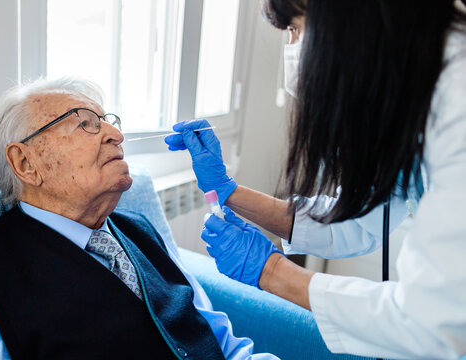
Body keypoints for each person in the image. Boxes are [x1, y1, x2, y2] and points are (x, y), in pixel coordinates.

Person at [165, 0, 466, 359]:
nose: (291, 50)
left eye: (294, 29)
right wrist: (227, 190)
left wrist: (271, 271)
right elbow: (352, 223)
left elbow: (434, 323)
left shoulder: (457, 106)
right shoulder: (416, 96)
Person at [0, 78, 279, 360]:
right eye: (85, 124)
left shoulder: (141, 230)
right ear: (25, 164)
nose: (117, 135)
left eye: (108, 122)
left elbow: (222, 343)